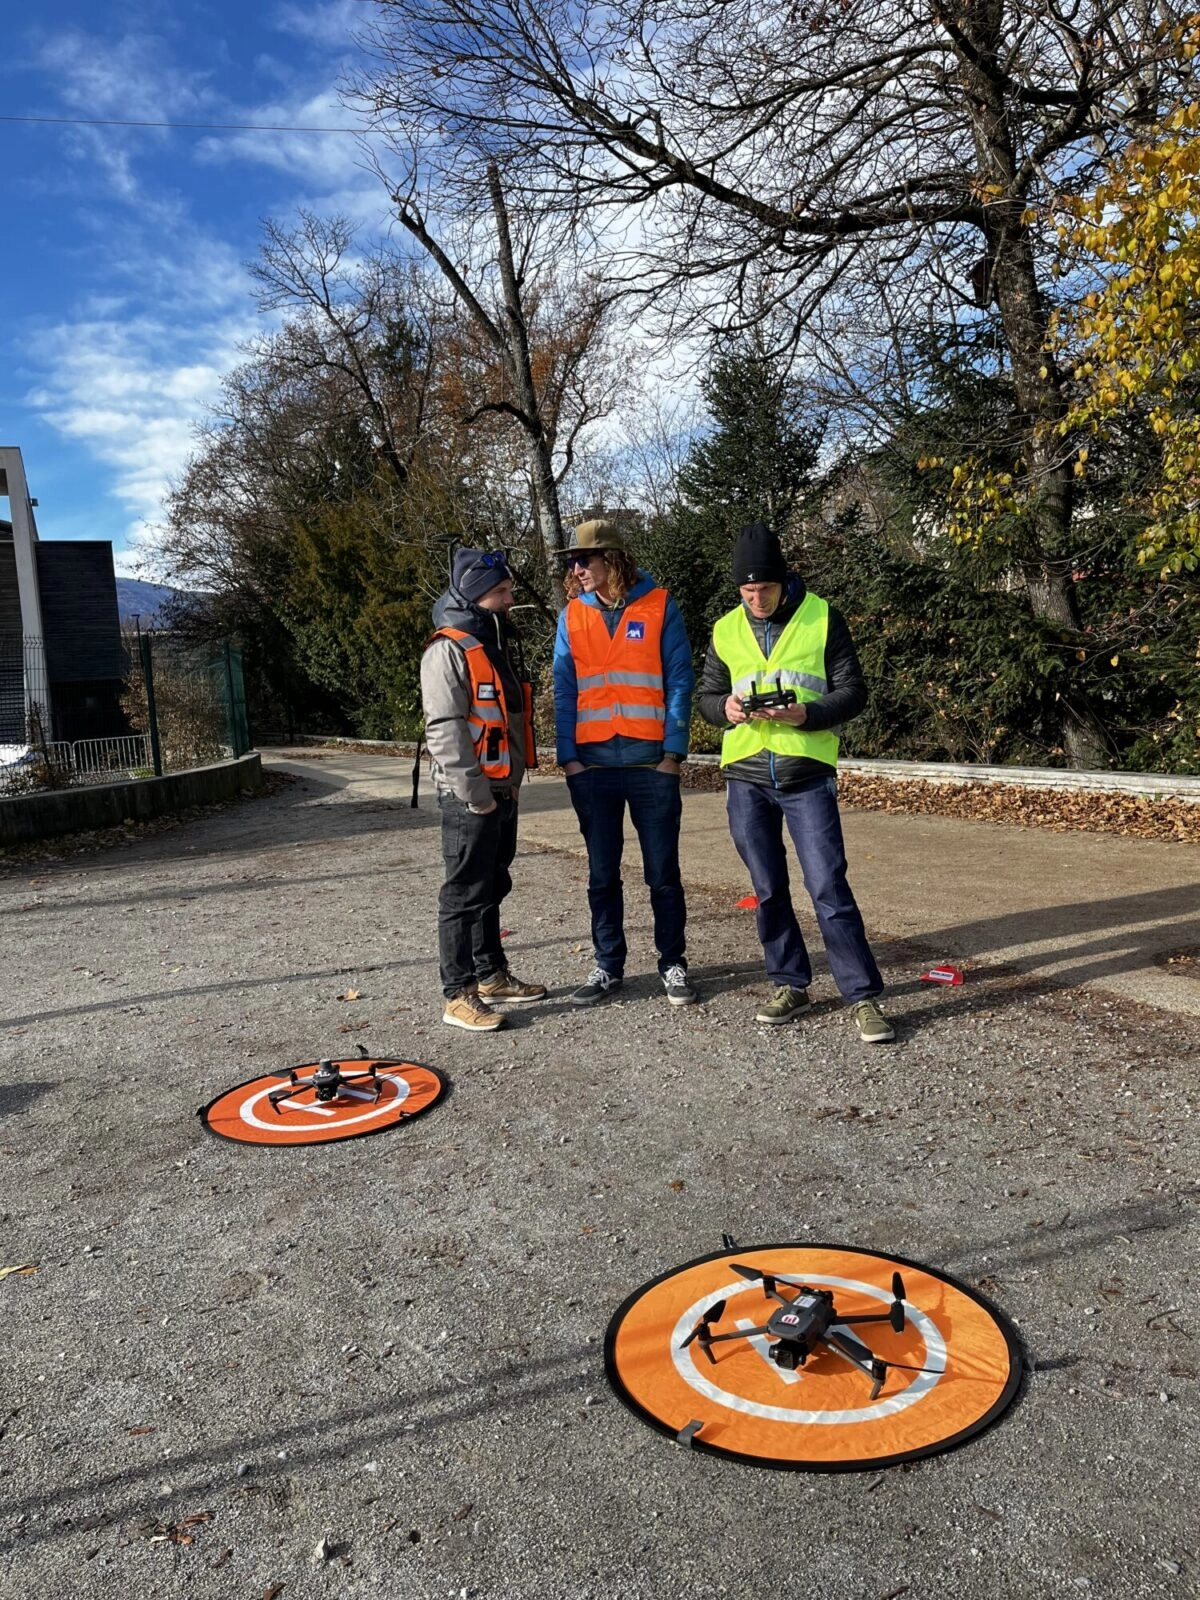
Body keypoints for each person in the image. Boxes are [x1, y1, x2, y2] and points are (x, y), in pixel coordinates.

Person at [697, 521, 894, 1043]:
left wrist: (807, 714)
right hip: (745, 774)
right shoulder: (724, 628)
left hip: (806, 772)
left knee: (828, 885)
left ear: (784, 580)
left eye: (764, 588)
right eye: (746, 591)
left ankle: (863, 996)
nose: (756, 599)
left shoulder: (822, 616)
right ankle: (790, 983)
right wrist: (725, 708)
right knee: (767, 889)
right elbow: (706, 697)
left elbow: (854, 691)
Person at [553, 518, 697, 1006]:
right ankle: (607, 966)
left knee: (663, 874)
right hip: (592, 768)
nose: (576, 569)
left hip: (651, 765)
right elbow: (564, 690)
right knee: (601, 875)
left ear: (611, 560)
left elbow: (680, 680)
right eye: (573, 562)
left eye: (584, 560)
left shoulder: (660, 605)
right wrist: (569, 759)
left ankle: (673, 963)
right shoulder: (572, 615)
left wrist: (673, 754)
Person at [421, 547, 546, 1031]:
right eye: (502, 592)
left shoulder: (490, 643)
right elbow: (445, 730)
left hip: (499, 789)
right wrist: (476, 794)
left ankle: (490, 974)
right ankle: (458, 995)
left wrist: (507, 786)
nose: (511, 599)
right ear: (476, 596)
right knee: (463, 894)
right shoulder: (448, 649)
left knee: (491, 885)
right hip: (469, 796)